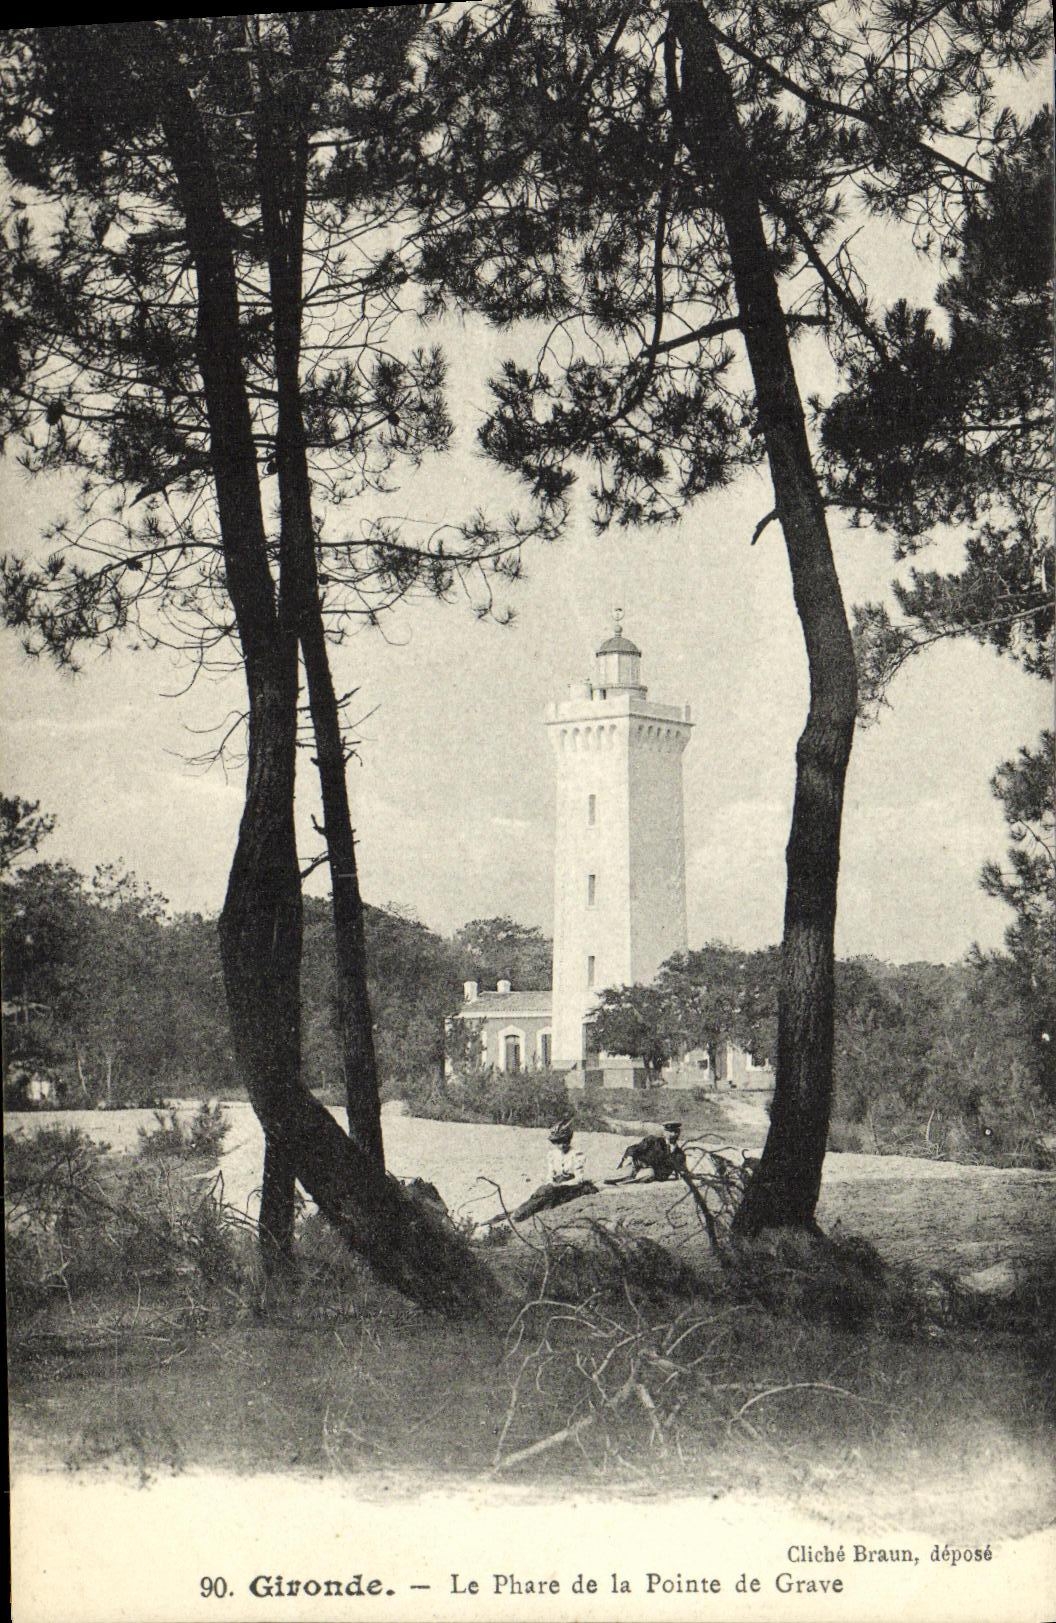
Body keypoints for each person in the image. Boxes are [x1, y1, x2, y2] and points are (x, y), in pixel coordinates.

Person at [490, 1119, 597, 1226]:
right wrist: (551, 1182)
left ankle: (517, 1215)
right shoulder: (553, 1154)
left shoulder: (577, 1155)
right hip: (555, 1186)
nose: (561, 1145)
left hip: (571, 1187)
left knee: (545, 1196)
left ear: (569, 1140)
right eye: (557, 1142)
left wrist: (559, 1185)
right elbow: (550, 1174)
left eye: (564, 1141)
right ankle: (515, 1213)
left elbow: (578, 1179)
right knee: (541, 1193)